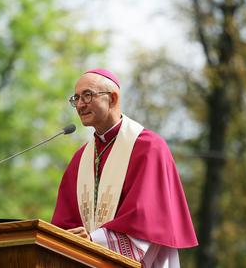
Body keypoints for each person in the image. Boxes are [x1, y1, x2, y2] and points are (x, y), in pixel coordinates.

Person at [51, 68, 198, 267]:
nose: (79, 104)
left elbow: (147, 221)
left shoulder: (148, 148)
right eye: (76, 98)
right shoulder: (80, 159)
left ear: (112, 98)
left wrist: (93, 241)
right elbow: (63, 226)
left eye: (87, 95)